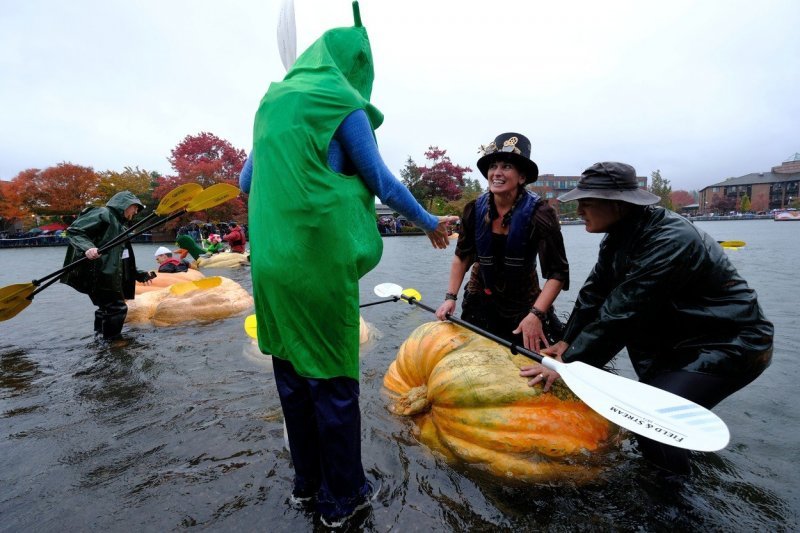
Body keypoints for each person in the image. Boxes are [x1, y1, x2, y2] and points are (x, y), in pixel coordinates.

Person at [246, 3, 457, 527]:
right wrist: (430, 222)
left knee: (292, 375)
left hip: (270, 267)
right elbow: (382, 180)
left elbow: (248, 183)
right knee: (334, 381)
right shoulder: (342, 102)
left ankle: (305, 486)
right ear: (355, 67)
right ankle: (344, 498)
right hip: (316, 267)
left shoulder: (271, 105)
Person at [519, 162, 773, 474]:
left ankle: (678, 507)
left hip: (729, 344)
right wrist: (565, 342)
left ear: (617, 204)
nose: (580, 209)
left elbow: (622, 313)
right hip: (678, 343)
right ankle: (666, 476)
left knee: (654, 423)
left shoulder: (671, 239)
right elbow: (593, 296)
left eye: (587, 202)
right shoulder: (617, 236)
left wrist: (569, 364)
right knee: (648, 428)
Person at [435, 132, 569, 351]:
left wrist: (536, 314)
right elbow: (462, 256)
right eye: (493, 167)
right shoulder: (473, 210)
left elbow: (558, 273)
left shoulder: (540, 214)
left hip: (524, 304)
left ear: (522, 177)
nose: (496, 173)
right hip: (480, 297)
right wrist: (450, 297)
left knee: (527, 366)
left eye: (506, 167)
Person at [60, 191, 153, 340]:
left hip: (108, 274)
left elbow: (123, 258)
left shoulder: (121, 228)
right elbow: (75, 231)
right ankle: (113, 343)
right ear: (124, 205)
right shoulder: (103, 213)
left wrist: (138, 273)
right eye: (135, 207)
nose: (136, 211)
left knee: (106, 307)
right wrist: (87, 248)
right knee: (117, 308)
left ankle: (100, 337)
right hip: (99, 272)